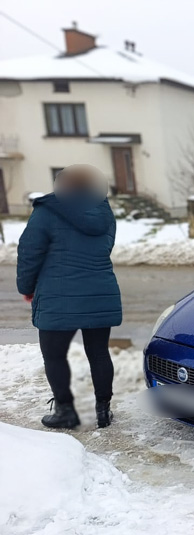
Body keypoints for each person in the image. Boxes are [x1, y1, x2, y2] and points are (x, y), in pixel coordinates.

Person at [17, 165, 122, 429]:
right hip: (100, 292)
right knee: (98, 353)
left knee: (54, 356)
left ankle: (66, 412)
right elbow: (104, 248)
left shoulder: (46, 212)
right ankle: (103, 411)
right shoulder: (104, 212)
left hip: (57, 296)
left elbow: (29, 253)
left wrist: (26, 287)